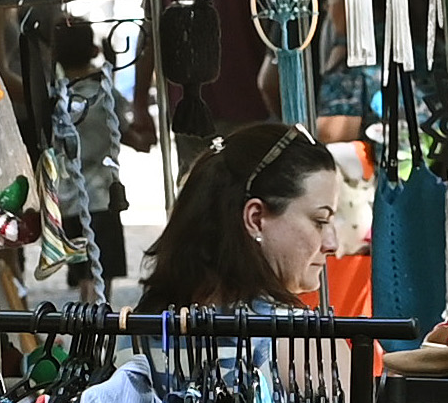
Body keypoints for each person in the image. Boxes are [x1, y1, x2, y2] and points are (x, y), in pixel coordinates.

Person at [137, 120, 348, 312]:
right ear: (255, 219)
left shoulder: (141, 325)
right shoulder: (306, 344)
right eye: (320, 221)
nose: (332, 244)